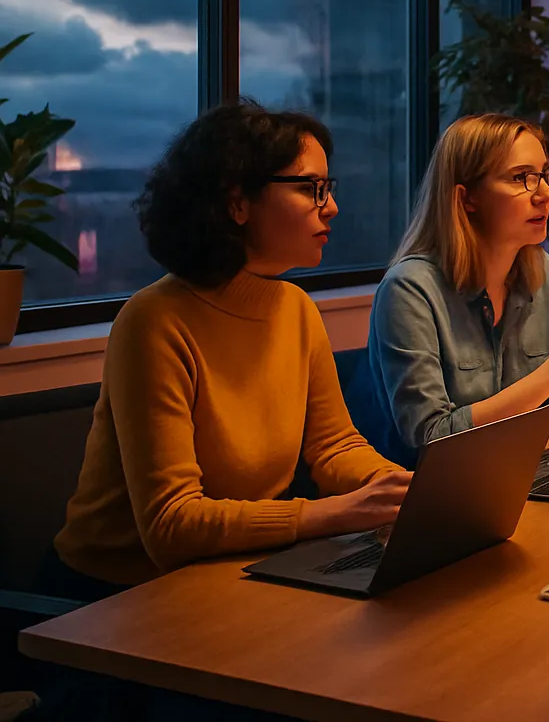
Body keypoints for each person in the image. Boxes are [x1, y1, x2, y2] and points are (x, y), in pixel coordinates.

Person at [49, 100, 410, 597]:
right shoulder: (154, 320)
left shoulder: (295, 308)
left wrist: (405, 491)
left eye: (329, 189)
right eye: (311, 188)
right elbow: (172, 526)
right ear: (237, 202)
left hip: (233, 573)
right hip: (113, 601)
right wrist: (331, 513)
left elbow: (334, 447)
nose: (332, 207)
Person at [356, 114, 549, 466]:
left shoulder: (540, 269)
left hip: (518, 472)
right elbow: (432, 438)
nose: (545, 194)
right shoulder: (409, 290)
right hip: (433, 496)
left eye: (545, 175)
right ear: (467, 198)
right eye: (521, 178)